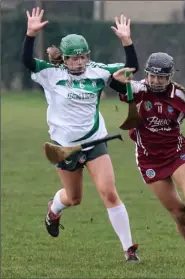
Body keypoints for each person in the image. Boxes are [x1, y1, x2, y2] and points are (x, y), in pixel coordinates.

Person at [21, 7, 140, 262]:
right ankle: (53, 211)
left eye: (83, 57)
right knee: (74, 198)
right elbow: (27, 61)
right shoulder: (50, 73)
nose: (79, 63)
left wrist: (127, 42)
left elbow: (131, 69)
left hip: (95, 141)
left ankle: (129, 250)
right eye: (74, 59)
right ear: (64, 59)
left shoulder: (97, 71)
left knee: (109, 192)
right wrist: (30, 34)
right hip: (64, 147)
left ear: (88, 56)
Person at [114, 52, 185, 265]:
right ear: (147, 75)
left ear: (169, 77)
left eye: (161, 77)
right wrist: (118, 80)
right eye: (152, 76)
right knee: (178, 212)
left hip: (176, 154)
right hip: (149, 160)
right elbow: (122, 88)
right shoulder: (140, 89)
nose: (155, 81)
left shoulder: (177, 94)